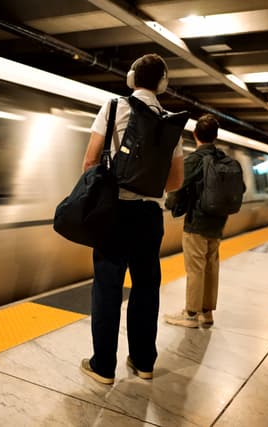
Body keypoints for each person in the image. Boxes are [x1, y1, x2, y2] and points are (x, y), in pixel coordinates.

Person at [79, 53, 184, 384]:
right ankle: (143, 362)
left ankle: (103, 366)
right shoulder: (170, 120)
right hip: (150, 217)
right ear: (162, 84)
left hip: (115, 212)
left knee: (108, 287)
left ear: (131, 78)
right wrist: (149, 187)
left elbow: (90, 161)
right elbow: (176, 181)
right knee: (146, 287)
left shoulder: (113, 108)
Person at [163, 114, 238, 328]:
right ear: (215, 136)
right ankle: (207, 313)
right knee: (211, 266)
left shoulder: (194, 159)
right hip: (218, 222)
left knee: (195, 268)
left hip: (196, 223)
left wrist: (170, 205)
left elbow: (177, 188)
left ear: (195, 134)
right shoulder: (224, 159)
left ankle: (190, 314)